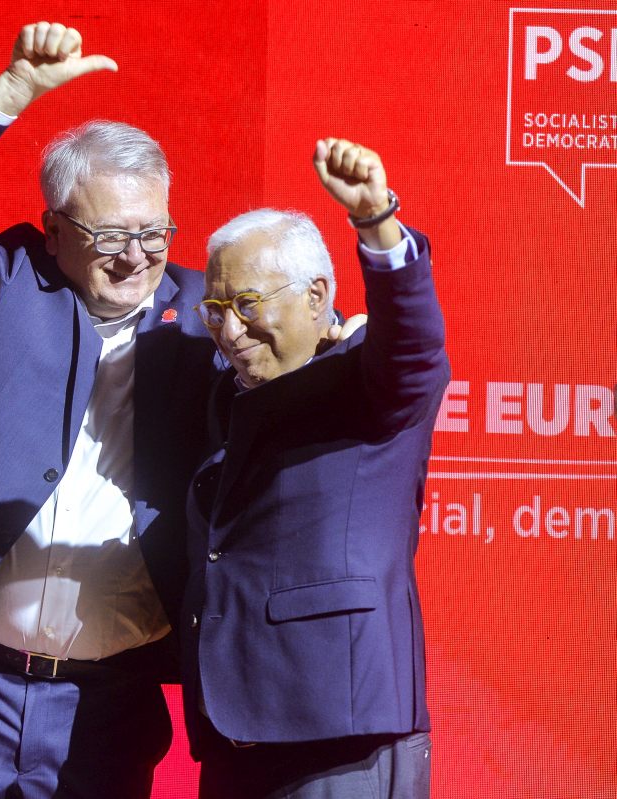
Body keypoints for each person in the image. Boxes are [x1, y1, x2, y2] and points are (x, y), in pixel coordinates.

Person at [0, 22, 352, 798]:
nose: (135, 256)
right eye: (108, 235)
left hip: (108, 709)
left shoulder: (206, 315)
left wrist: (339, 340)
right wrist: (11, 92)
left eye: (153, 232)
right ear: (54, 231)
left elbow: (291, 355)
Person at [182, 139, 449, 798]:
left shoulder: (368, 384)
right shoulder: (223, 397)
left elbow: (413, 346)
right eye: (215, 310)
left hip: (340, 738)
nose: (230, 330)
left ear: (316, 296)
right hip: (235, 736)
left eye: (248, 304)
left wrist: (376, 223)